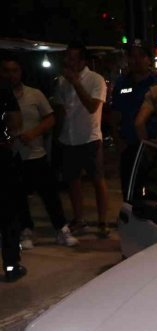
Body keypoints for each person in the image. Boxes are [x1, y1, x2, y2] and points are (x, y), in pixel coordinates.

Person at [0, 56, 78, 249]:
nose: (11, 75)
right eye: (6, 71)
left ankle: (61, 228)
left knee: (49, 194)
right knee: (17, 196)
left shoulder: (34, 94)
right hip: (11, 155)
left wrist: (33, 133)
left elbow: (50, 119)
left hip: (35, 153)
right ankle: (26, 230)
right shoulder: (1, 95)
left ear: (21, 72)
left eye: (14, 70)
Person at [53, 40, 110, 238]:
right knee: (73, 181)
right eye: (68, 57)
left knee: (97, 180)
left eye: (74, 58)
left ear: (83, 60)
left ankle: (103, 221)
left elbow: (92, 106)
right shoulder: (61, 81)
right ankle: (79, 219)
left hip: (89, 138)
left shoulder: (96, 80)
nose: (70, 61)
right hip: (68, 138)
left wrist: (76, 82)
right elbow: (60, 110)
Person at [110, 41, 157, 194]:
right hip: (129, 147)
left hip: (154, 148)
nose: (137, 60)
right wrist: (117, 141)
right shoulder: (121, 83)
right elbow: (115, 115)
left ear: (149, 59)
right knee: (129, 192)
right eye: (132, 56)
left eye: (141, 56)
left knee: (156, 192)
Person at [0, 79, 25, 281]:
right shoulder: (3, 90)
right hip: (1, 158)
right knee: (8, 214)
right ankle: (11, 266)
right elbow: (16, 122)